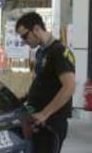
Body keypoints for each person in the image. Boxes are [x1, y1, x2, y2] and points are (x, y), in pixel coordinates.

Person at [15, 11, 75, 153]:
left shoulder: (59, 52)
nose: (23, 41)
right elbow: (42, 84)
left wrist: (44, 114)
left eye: (25, 35)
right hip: (37, 121)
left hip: (51, 123)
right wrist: (24, 98)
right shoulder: (41, 52)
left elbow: (69, 87)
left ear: (36, 29)